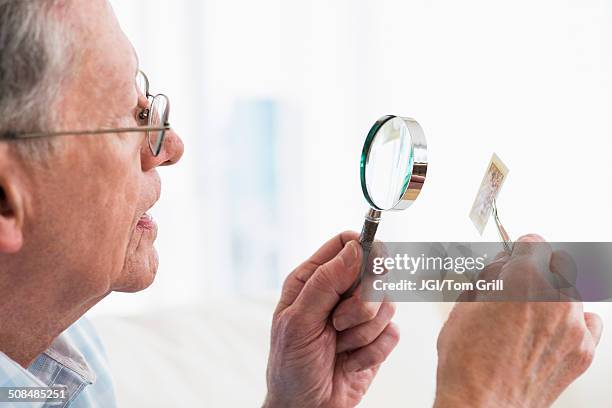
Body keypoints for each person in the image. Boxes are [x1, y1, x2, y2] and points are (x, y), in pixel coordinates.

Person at [0, 1, 601, 407]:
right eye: (132, 118)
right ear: (7, 199)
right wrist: (486, 392)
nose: (170, 147)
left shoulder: (61, 360)